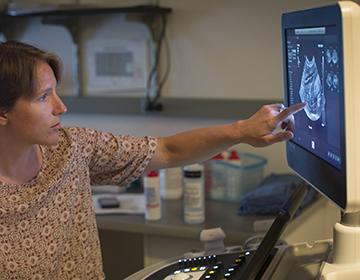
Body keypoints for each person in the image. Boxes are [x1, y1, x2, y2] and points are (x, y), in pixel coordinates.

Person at [0, 40, 306, 279]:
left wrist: (241, 131)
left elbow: (167, 150)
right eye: (43, 97)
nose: (61, 107)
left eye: (57, 92)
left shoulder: (72, 148)